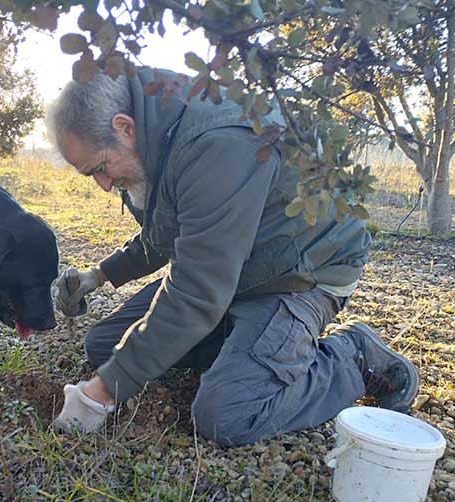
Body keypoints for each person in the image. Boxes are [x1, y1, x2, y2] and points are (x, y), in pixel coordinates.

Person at [45, 69, 419, 446]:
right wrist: (101, 274)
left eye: (99, 168)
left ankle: (351, 356)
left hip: (296, 277)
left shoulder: (217, 143)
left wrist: (104, 393)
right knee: (103, 346)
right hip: (236, 268)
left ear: (124, 127)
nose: (104, 185)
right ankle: (241, 348)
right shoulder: (157, 137)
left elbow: (195, 294)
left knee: (226, 414)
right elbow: (171, 229)